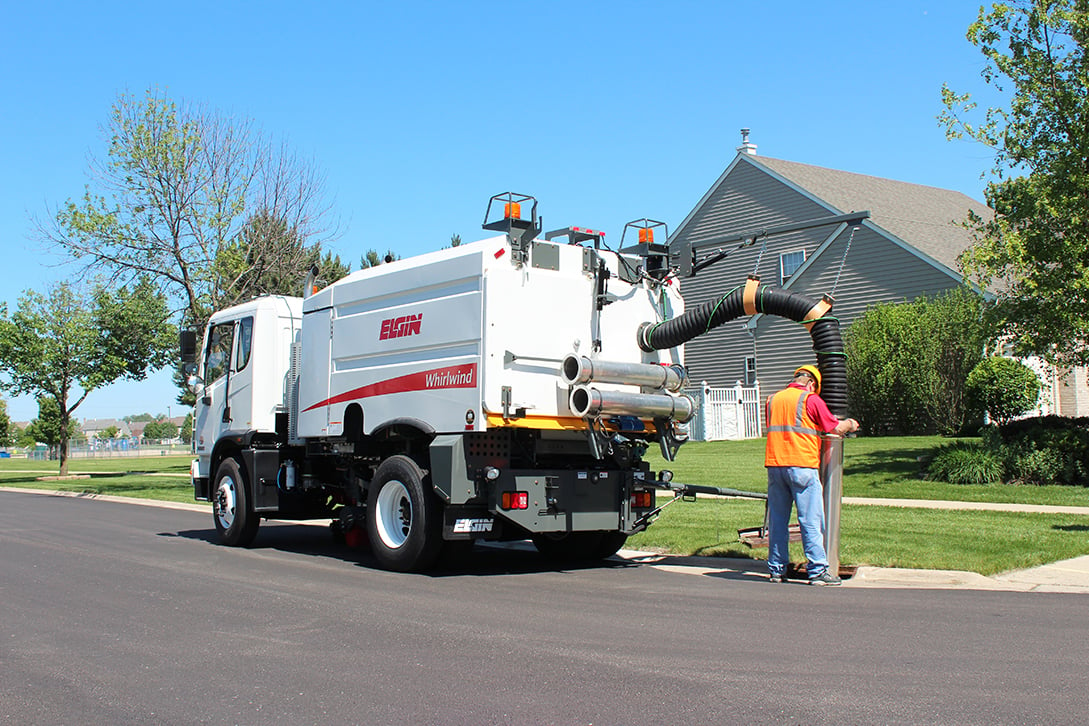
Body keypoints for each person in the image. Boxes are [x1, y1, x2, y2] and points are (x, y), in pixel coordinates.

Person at [765, 364, 859, 585]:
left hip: (775, 464)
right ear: (811, 383)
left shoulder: (772, 400)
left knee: (777, 521)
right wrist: (850, 425)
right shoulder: (810, 399)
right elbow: (833, 428)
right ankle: (817, 571)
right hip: (802, 466)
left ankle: (777, 570)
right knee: (810, 520)